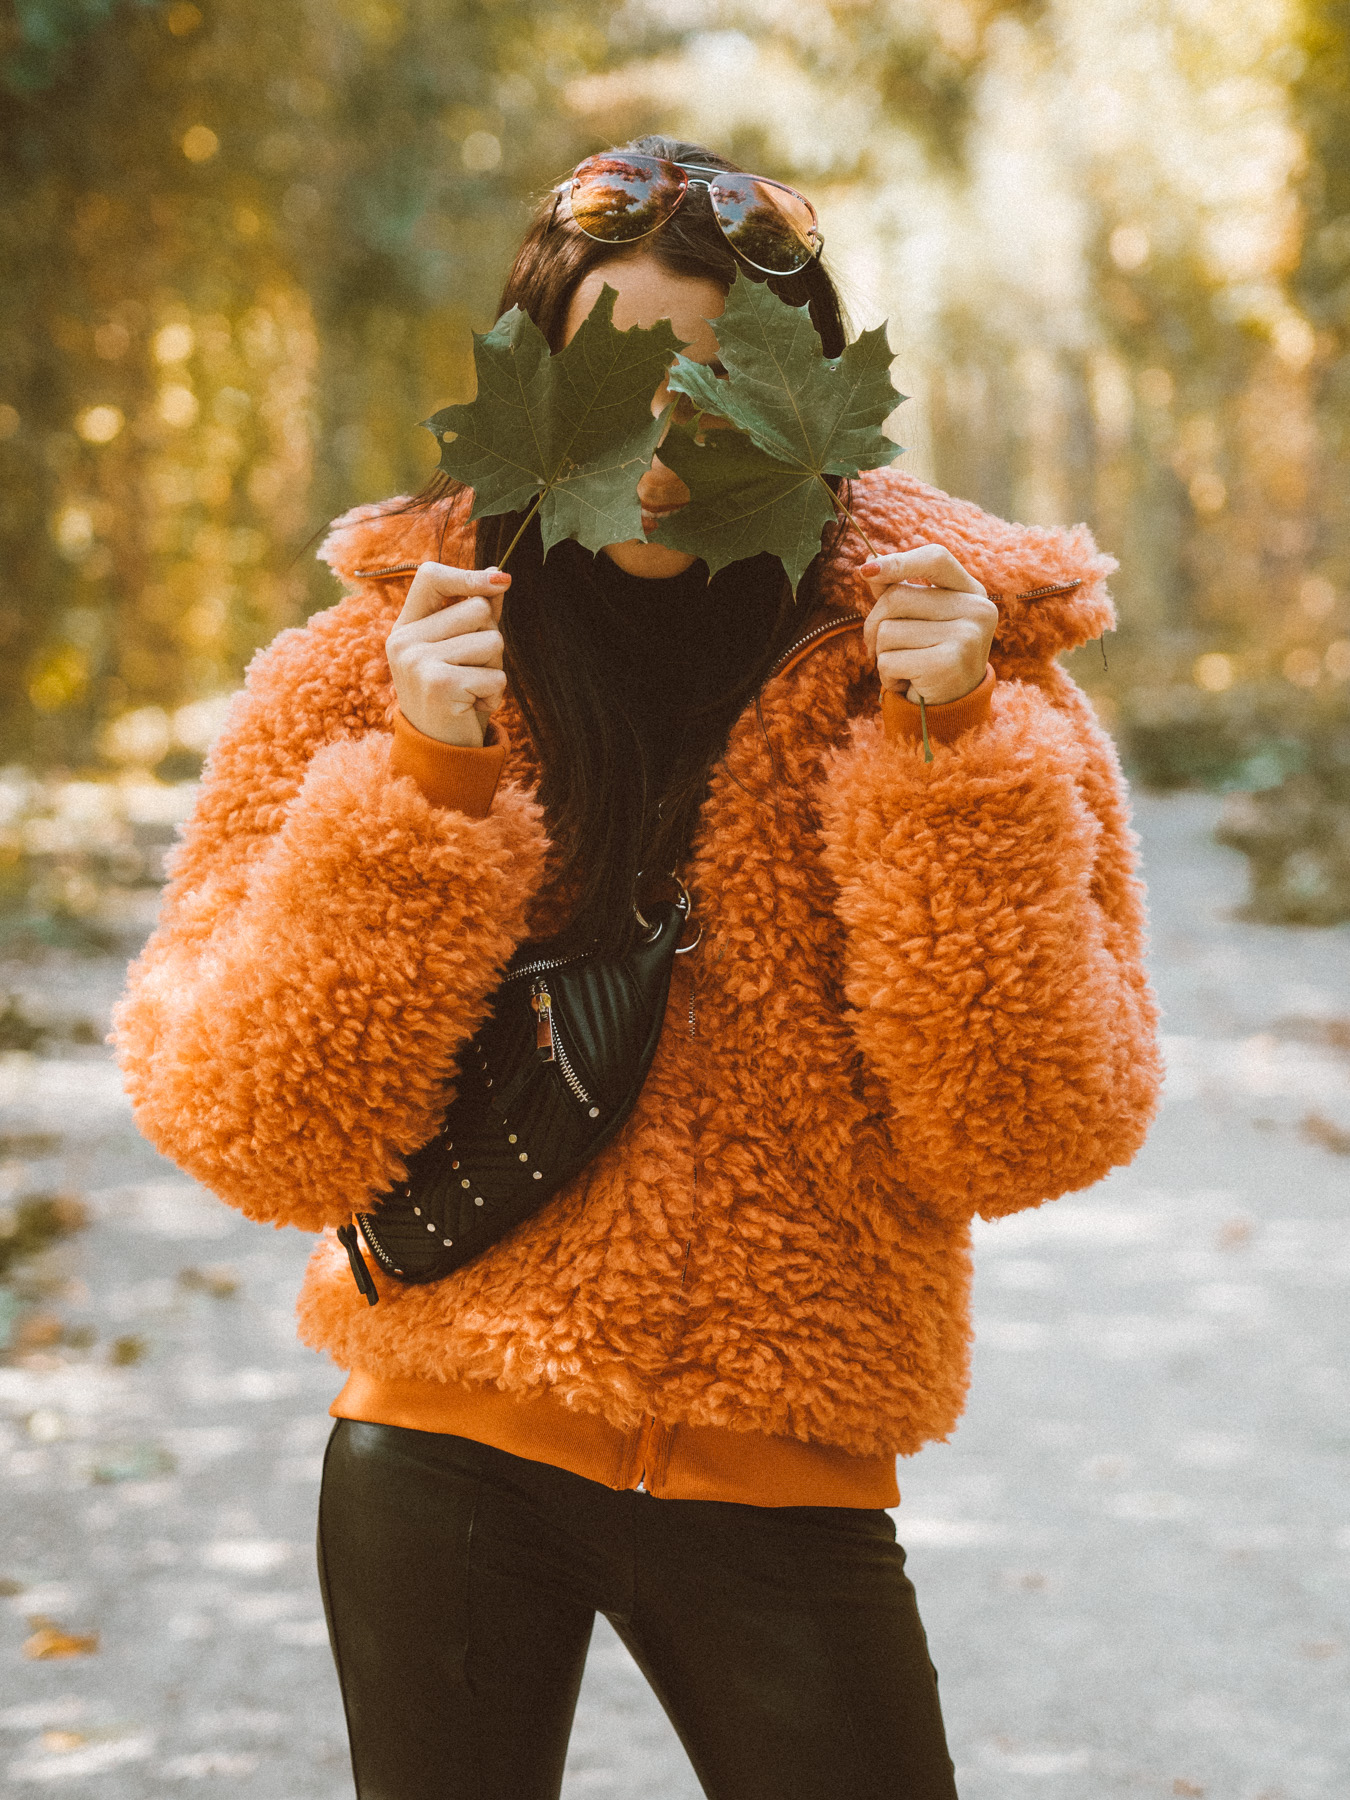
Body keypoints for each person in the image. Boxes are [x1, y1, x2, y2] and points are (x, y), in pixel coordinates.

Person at [113, 135, 1161, 1800]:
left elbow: (1030, 1129)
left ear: (808, 398)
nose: (661, 450)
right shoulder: (373, 662)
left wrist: (953, 755)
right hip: (444, 1442)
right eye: (604, 382)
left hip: (790, 1457)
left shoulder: (969, 666)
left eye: (716, 386)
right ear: (526, 390)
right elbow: (253, 1129)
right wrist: (424, 785)